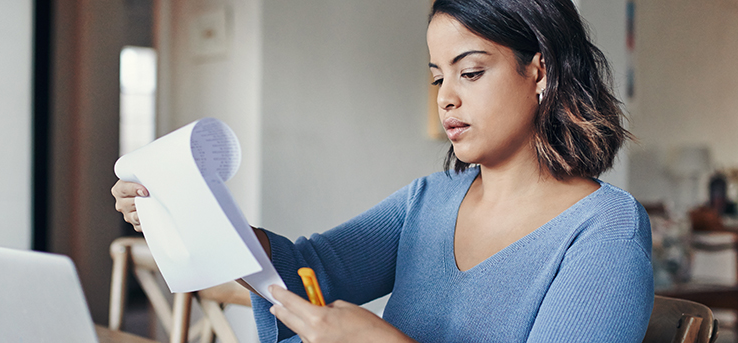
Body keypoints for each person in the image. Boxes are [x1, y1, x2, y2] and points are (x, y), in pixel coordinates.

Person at [112, 0, 653, 341]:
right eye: (439, 77)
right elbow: (309, 270)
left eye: (470, 72)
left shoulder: (605, 231)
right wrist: (188, 212)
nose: (447, 98)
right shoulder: (429, 201)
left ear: (540, 71)